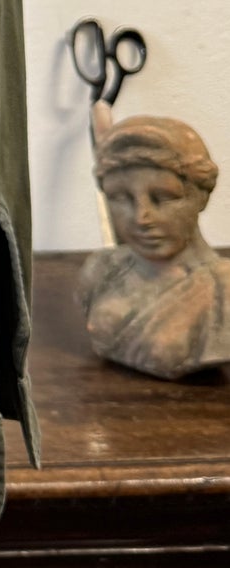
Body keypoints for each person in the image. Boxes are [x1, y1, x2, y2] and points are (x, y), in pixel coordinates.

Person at [79, 114, 230, 377]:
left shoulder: (222, 290)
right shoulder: (100, 270)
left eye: (163, 197)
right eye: (120, 198)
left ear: (200, 197)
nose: (141, 218)